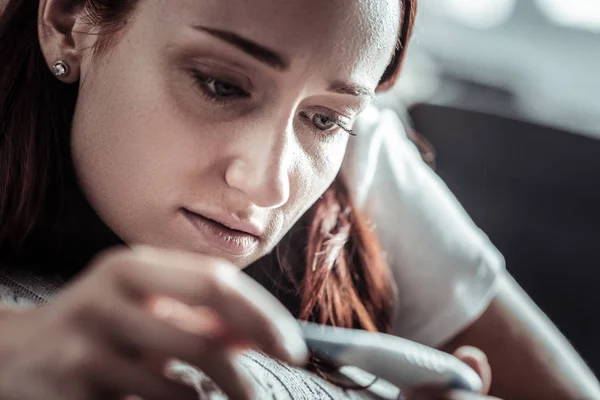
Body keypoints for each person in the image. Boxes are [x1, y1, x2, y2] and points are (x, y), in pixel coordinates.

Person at [0, 1, 596, 400]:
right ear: (69, 19)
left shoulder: (362, 155)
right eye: (221, 85)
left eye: (323, 118)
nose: (270, 185)